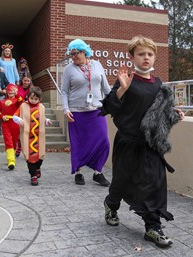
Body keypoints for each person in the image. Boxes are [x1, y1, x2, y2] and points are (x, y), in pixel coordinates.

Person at [99, 36, 184, 248]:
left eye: (150, 54)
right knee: (121, 182)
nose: (146, 57)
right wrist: (121, 89)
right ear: (132, 57)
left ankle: (153, 228)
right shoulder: (126, 80)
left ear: (154, 56)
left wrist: (175, 115)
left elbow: (160, 115)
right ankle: (111, 204)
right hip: (128, 143)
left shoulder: (158, 84)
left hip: (150, 145)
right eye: (141, 54)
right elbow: (109, 108)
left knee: (153, 184)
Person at [61, 39, 111, 187]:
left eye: (76, 53)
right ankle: (78, 172)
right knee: (78, 143)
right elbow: (64, 91)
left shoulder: (97, 65)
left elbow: (106, 88)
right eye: (71, 54)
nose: (74, 57)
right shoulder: (68, 69)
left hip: (96, 110)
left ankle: (98, 172)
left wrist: (115, 104)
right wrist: (66, 109)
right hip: (76, 112)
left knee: (103, 141)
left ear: (84, 51)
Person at [13, 86, 52, 186]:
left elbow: (42, 118)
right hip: (27, 136)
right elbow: (14, 116)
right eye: (31, 98)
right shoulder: (23, 106)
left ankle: (38, 167)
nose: (33, 101)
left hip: (39, 137)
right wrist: (19, 120)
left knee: (40, 156)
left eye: (36, 99)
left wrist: (47, 121)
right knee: (29, 156)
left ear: (39, 99)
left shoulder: (41, 107)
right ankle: (33, 175)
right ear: (27, 97)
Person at [0, 84, 23, 170]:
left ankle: (12, 155)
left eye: (13, 91)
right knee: (8, 141)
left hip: (15, 123)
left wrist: (17, 94)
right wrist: (1, 116)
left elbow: (21, 102)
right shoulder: (2, 102)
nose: (11, 92)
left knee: (14, 141)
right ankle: (11, 160)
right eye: (9, 91)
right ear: (7, 92)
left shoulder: (17, 101)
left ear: (15, 92)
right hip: (5, 123)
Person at [15, 75, 33, 157]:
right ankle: (19, 148)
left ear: (30, 81)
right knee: (19, 131)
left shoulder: (32, 89)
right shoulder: (17, 88)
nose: (26, 82)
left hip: (28, 111)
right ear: (22, 81)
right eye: (25, 81)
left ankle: (28, 149)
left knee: (28, 131)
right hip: (18, 111)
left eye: (28, 81)